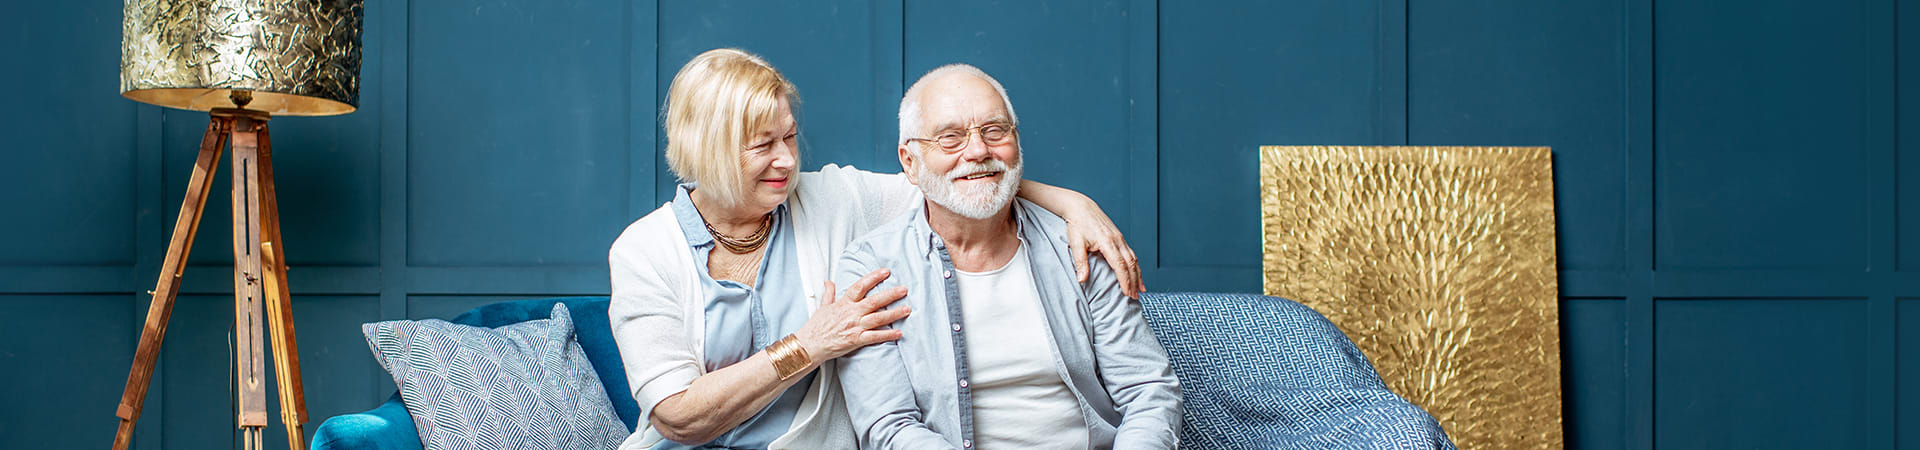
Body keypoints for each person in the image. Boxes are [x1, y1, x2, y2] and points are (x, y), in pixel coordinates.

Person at [608, 49, 1145, 450]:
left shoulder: (831, 198)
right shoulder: (645, 251)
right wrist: (809, 345)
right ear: (707, 152)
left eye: (790, 137)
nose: (787, 162)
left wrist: (1074, 204)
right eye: (762, 146)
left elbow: (951, 172)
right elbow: (678, 416)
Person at [833, 64, 1183, 449]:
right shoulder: (871, 268)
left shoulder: (1079, 246)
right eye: (950, 138)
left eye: (994, 131)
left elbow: (1148, 393)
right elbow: (891, 428)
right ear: (910, 162)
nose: (979, 150)